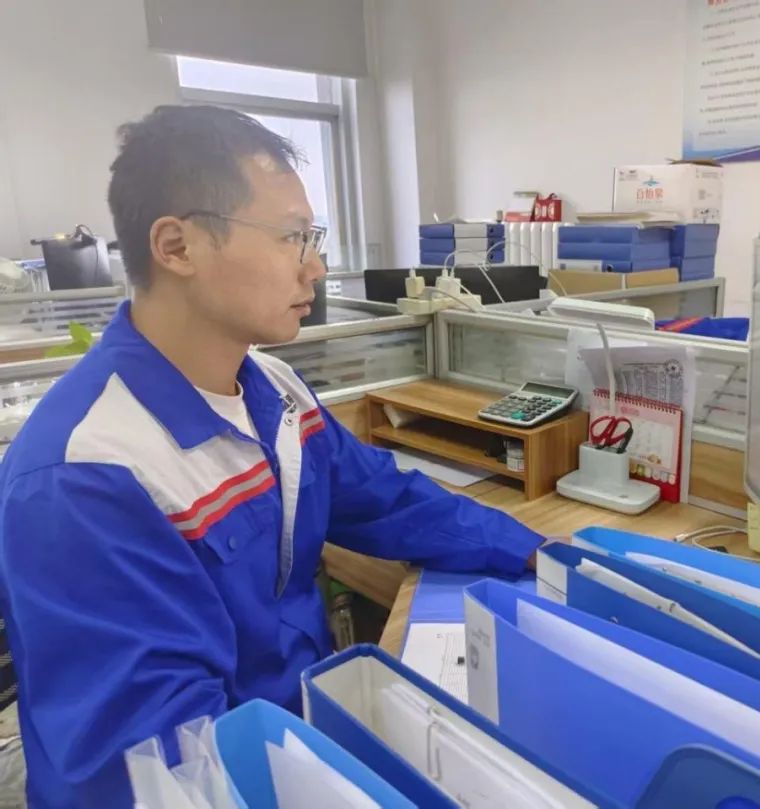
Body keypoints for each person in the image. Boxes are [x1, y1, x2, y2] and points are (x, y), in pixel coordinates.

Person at [0, 105, 546, 807]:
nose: (316, 266)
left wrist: (538, 553)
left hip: (304, 733)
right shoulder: (87, 474)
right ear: (177, 246)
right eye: (293, 237)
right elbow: (164, 773)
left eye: (313, 238)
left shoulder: (273, 388)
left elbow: (386, 498)